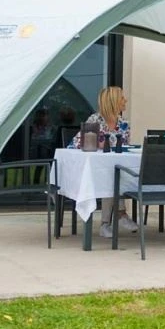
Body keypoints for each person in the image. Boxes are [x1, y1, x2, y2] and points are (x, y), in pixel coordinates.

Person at [68, 86, 138, 238]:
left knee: (115, 175)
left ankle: (118, 216)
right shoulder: (95, 120)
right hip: (92, 169)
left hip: (112, 166)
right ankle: (112, 219)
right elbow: (78, 142)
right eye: (122, 98)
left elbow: (123, 146)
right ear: (113, 101)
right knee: (110, 178)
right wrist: (96, 143)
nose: (125, 100)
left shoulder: (123, 123)